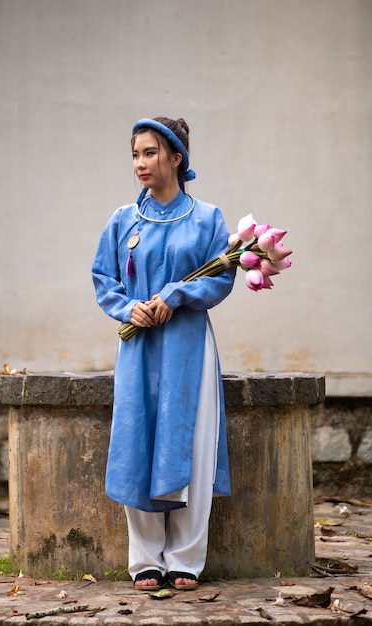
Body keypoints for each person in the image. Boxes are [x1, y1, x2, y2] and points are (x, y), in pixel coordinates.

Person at [91, 116, 236, 591]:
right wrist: (130, 308)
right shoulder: (122, 220)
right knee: (138, 440)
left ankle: (186, 560)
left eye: (150, 153)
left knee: (189, 444)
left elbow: (220, 278)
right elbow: (103, 279)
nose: (140, 163)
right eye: (135, 154)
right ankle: (146, 559)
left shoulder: (207, 218)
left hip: (190, 345)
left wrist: (176, 295)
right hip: (140, 347)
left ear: (177, 157)